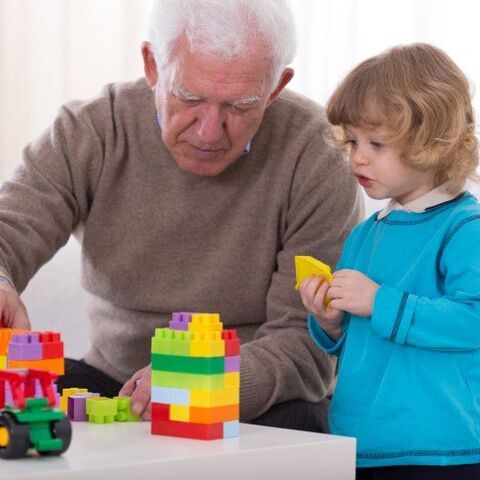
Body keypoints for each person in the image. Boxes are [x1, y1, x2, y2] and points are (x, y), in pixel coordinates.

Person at [0, 0, 361, 432]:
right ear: (153, 65)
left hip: (243, 391)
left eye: (241, 106)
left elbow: (308, 343)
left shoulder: (318, 154)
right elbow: (11, 228)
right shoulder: (90, 131)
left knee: (301, 421)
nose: (209, 131)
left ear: (275, 88)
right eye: (189, 97)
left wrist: (202, 382)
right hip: (112, 382)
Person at [299, 43, 480, 479]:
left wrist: (380, 302)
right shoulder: (366, 234)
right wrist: (328, 322)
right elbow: (356, 340)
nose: (358, 156)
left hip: (440, 451)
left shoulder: (464, 228)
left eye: (377, 143)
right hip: (360, 443)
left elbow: (473, 319)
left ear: (432, 142)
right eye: (353, 140)